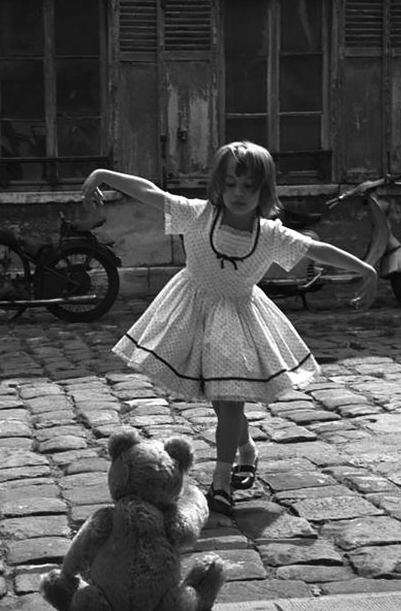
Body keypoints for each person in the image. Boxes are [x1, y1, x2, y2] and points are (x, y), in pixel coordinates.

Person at [81, 141, 377, 517]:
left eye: (249, 186)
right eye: (231, 184)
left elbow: (316, 250)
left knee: (230, 397)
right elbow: (151, 193)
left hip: (237, 319)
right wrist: (104, 174)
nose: (239, 193)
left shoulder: (270, 234)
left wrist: (365, 267)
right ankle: (247, 449)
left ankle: (221, 482)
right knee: (224, 403)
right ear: (218, 185)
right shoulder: (198, 215)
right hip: (192, 310)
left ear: (264, 191)